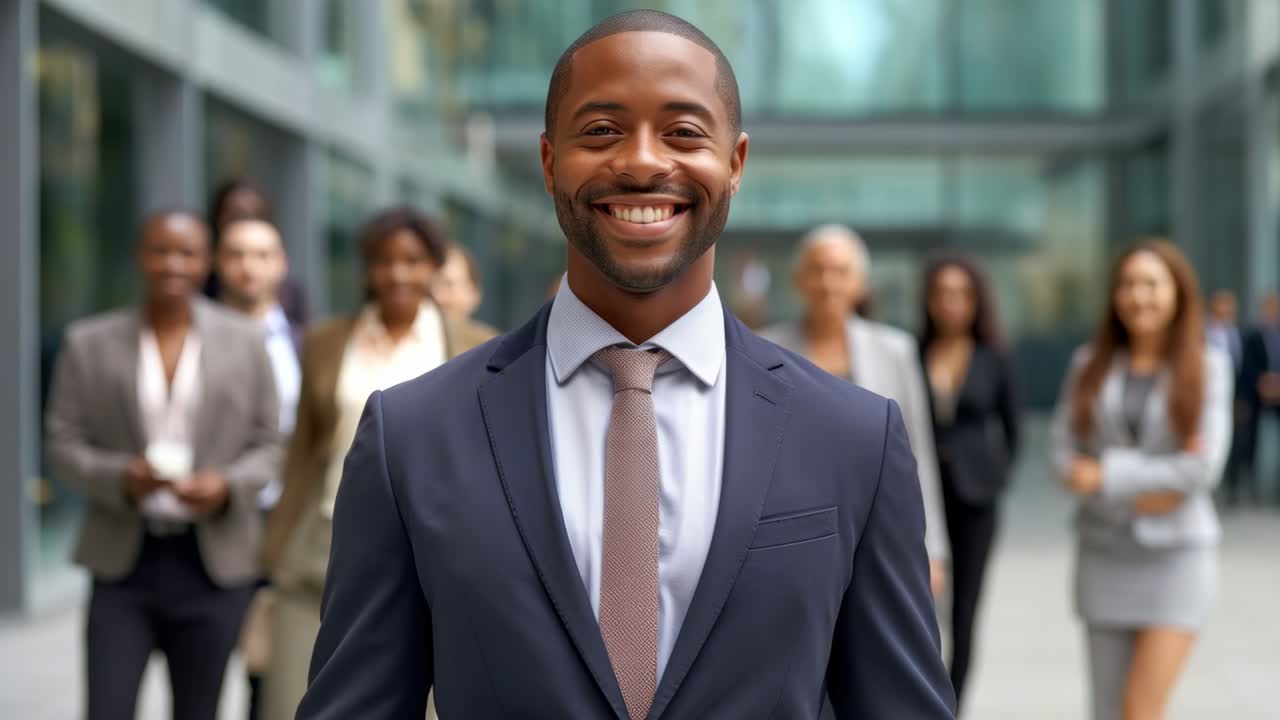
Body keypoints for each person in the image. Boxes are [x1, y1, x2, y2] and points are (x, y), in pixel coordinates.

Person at [296, 11, 954, 719]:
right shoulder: (413, 435)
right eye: (603, 130)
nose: (642, 161)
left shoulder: (854, 437)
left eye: (683, 132)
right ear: (550, 164)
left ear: (734, 164)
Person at [259, 207, 496, 720]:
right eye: (384, 261)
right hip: (319, 548)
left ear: (434, 266)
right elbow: (303, 451)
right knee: (291, 702)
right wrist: (275, 549)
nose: (398, 273)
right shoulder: (325, 343)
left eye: (413, 260)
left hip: (431, 550)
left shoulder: (476, 346)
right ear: (367, 268)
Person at [45, 211, 282, 720]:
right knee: (107, 708)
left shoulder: (246, 339)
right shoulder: (88, 342)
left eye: (188, 252)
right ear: (139, 256)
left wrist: (227, 484)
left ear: (207, 262)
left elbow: (270, 444)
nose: (173, 263)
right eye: (161, 250)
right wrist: (119, 477)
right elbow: (62, 444)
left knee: (198, 711)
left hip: (213, 566)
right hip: (123, 560)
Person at [1049, 240, 1230, 720]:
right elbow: (1062, 459)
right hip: (1103, 555)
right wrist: (1151, 484)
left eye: (1151, 284)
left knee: (1140, 712)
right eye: (1127, 284)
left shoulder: (1208, 366)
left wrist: (1105, 474)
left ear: (1177, 293)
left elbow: (1201, 470)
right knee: (1107, 712)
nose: (1137, 296)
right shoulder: (1088, 365)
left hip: (1177, 559)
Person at [762, 225, 949, 592]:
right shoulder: (765, 350)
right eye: (817, 270)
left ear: (860, 283)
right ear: (798, 280)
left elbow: (917, 453)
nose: (828, 283)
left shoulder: (896, 350)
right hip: (792, 531)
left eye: (841, 272)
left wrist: (932, 548)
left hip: (877, 524)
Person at [917, 254, 1021, 707]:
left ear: (977, 301)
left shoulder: (995, 356)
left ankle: (951, 707)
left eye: (961, 294)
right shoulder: (912, 351)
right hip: (921, 495)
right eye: (942, 294)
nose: (951, 303)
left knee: (964, 611)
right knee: (920, 607)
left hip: (976, 499)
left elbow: (1014, 428)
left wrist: (995, 475)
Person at [214, 217, 302, 720]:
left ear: (281, 264)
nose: (250, 267)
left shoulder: (306, 340)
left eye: (262, 254)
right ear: (218, 262)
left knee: (267, 663)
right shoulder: (196, 334)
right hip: (220, 514)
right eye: (237, 254)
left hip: (284, 518)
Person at [1236, 291, 1280, 505]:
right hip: (1257, 393)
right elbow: (1247, 365)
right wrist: (1262, 382)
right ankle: (1250, 488)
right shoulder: (1252, 335)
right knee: (1250, 440)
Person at [431, 243, 500, 338]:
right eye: (430, 285)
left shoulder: (493, 348)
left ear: (474, 293)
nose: (437, 296)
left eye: (448, 285)